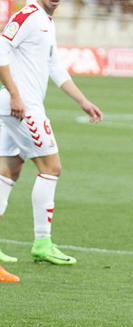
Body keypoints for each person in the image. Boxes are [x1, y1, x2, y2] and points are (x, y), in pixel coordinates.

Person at [0, 0, 103, 265]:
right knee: (51, 167)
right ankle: (43, 243)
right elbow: (1, 48)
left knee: (8, 171)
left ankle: (41, 244)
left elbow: (55, 67)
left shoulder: (45, 20)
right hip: (22, 107)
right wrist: (15, 95)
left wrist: (83, 101)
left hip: (19, 105)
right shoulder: (28, 16)